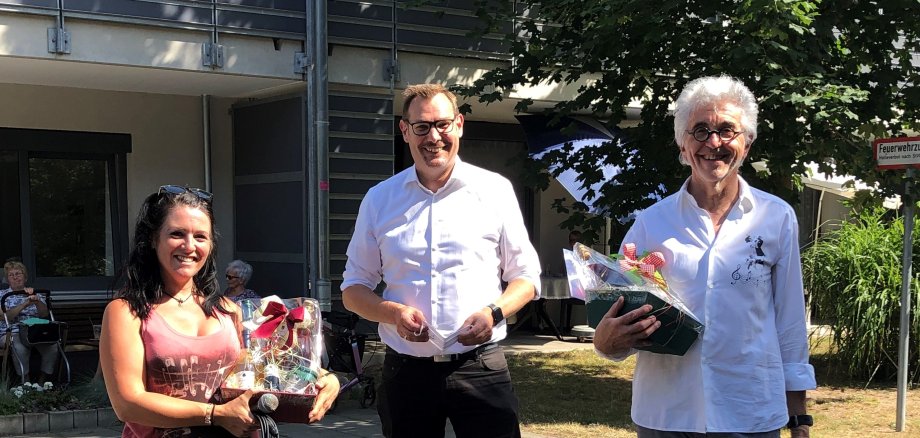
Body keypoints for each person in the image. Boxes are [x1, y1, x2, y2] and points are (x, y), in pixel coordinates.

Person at [593, 75, 816, 437]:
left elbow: (789, 324)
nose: (714, 142)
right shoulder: (651, 224)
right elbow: (617, 316)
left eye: (727, 130)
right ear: (683, 147)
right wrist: (606, 341)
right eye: (699, 130)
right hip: (666, 414)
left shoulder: (777, 218)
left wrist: (799, 417)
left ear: (747, 143)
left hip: (751, 412)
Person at [341, 83, 542, 438]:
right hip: (406, 372)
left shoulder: (494, 191)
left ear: (460, 125)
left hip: (481, 365)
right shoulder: (379, 200)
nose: (433, 136)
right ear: (405, 131)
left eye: (443, 124)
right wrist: (393, 314)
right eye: (421, 126)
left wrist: (492, 313)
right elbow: (353, 289)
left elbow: (526, 277)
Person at [100, 185, 339, 437]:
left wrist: (323, 377)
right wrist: (215, 415)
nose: (189, 246)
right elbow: (128, 404)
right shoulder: (127, 313)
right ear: (153, 239)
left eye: (200, 236)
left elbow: (262, 362)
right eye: (177, 234)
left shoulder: (227, 310)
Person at [0, 260, 60, 384]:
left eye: (19, 274)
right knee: (19, 348)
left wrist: (37, 301)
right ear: (7, 279)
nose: (16, 277)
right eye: (12, 275)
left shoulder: (35, 294)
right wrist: (25, 304)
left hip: (34, 331)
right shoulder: (2, 295)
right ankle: (25, 383)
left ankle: (43, 382)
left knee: (52, 347)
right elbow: (5, 317)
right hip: (13, 332)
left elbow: (44, 314)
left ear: (25, 277)